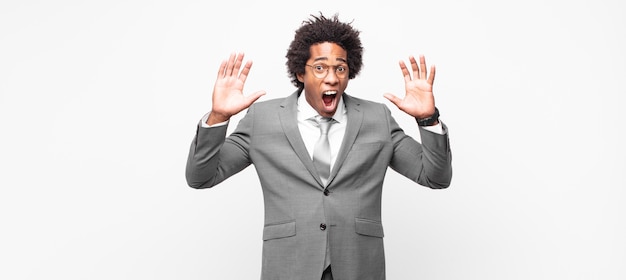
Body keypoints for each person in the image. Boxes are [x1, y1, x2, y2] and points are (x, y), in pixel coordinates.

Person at [185, 13, 452, 280]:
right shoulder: (262, 120)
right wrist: (218, 117)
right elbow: (201, 177)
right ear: (300, 72)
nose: (332, 78)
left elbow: (435, 177)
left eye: (340, 68)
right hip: (290, 266)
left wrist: (427, 119)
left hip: (358, 266)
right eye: (320, 67)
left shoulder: (377, 118)